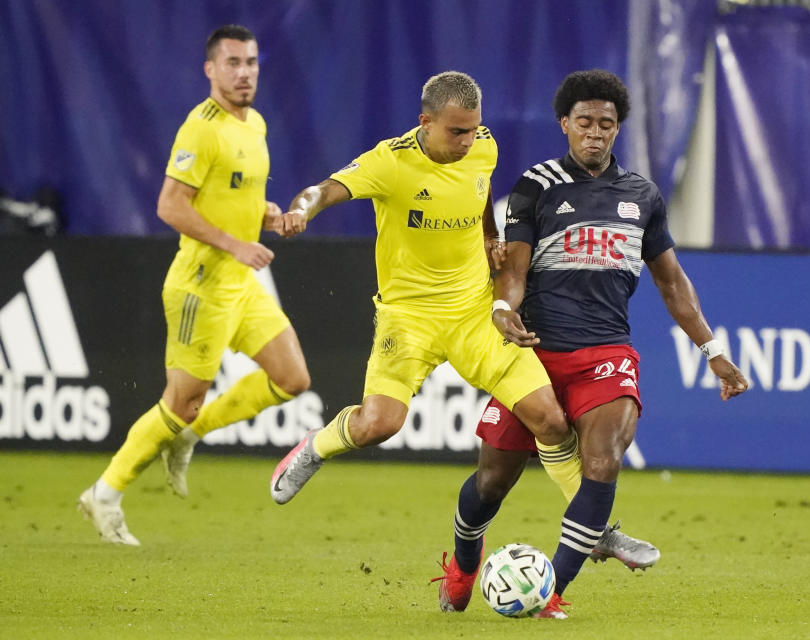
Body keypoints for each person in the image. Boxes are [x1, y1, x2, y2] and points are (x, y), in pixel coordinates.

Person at [432, 70, 749, 619]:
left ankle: (548, 590)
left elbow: (671, 281)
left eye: (606, 123)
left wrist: (712, 352)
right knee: (491, 481)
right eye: (584, 122)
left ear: (617, 127)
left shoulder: (642, 196)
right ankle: (463, 563)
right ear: (565, 125)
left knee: (602, 461)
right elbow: (516, 268)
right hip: (533, 355)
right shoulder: (536, 185)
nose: (595, 132)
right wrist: (503, 309)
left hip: (604, 355)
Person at [268, 72, 588, 513]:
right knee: (377, 425)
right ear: (425, 121)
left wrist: (490, 234)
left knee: (551, 419)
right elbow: (321, 191)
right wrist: (299, 212)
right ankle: (315, 447)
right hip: (409, 317)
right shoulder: (389, 163)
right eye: (456, 131)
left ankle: (594, 526)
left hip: (474, 313)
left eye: (473, 129)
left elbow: (481, 188)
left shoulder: (483, 145)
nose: (466, 141)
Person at [78, 24, 311, 546]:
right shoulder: (200, 129)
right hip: (201, 285)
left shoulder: (255, 124)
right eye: (233, 63)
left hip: (240, 285)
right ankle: (105, 493)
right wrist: (236, 245)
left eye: (251, 62)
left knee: (292, 378)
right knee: (179, 401)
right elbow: (169, 205)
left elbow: (233, 198)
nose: (244, 72)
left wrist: (270, 219)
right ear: (210, 69)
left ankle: (191, 434)